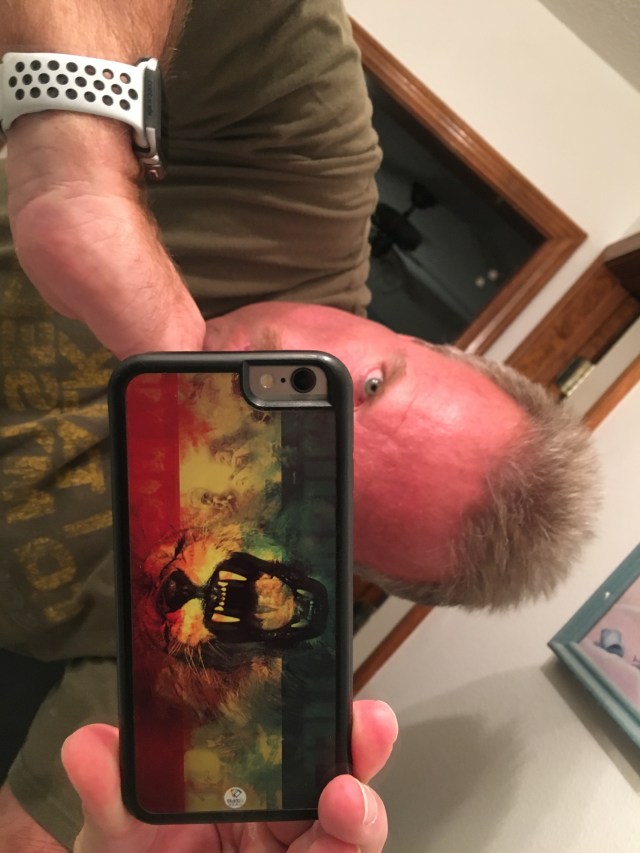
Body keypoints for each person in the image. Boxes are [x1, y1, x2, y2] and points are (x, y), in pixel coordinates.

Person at [0, 0, 598, 849]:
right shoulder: (305, 180)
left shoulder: (208, 631)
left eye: (314, 485)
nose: (278, 427)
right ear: (419, 342)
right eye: (368, 386)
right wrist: (74, 171)